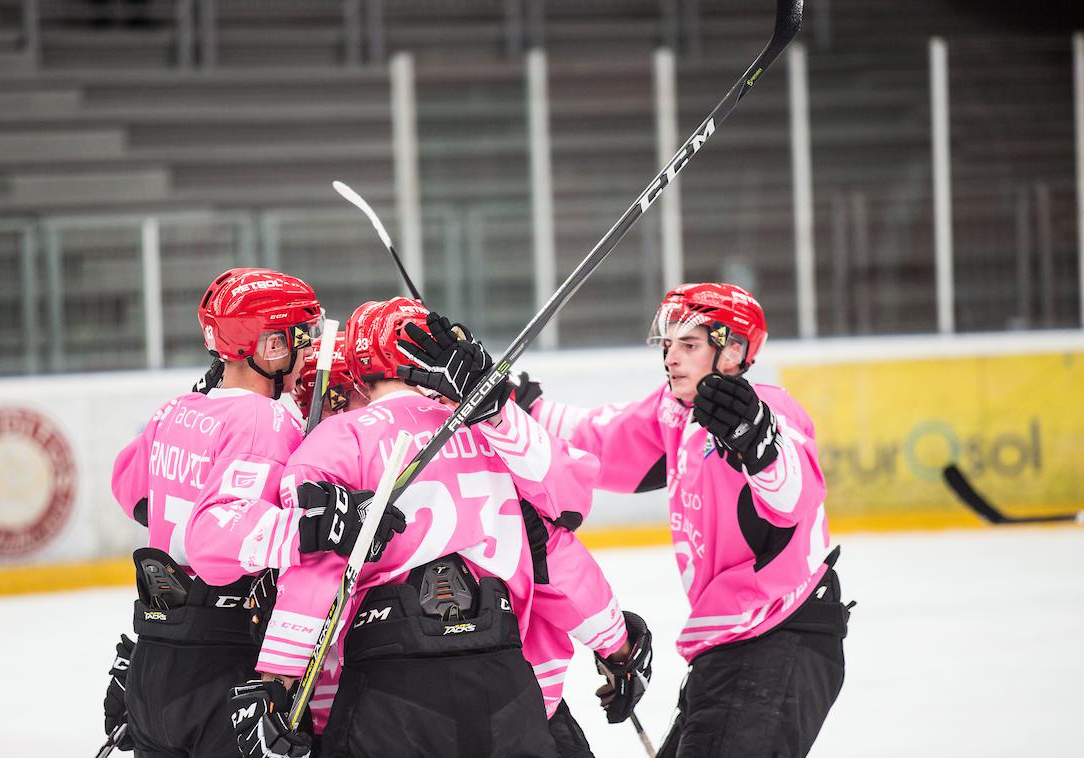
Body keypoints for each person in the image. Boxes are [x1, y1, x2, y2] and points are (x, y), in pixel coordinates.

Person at [221, 298, 646, 758]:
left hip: (389, 685)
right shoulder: (489, 431)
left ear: (359, 366)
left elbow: (316, 572)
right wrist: (617, 646)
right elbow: (564, 528)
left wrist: (277, 682)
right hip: (507, 683)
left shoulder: (338, 440)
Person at [529, 283, 851, 758]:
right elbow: (598, 435)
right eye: (668, 344)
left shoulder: (769, 408)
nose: (671, 358)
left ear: (734, 350)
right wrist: (515, 406)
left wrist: (758, 443)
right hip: (733, 642)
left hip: (779, 635)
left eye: (689, 344)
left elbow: (795, 495)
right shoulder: (678, 415)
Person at [105, 267, 401, 757]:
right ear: (269, 347)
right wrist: (315, 525)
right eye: (300, 337)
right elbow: (217, 537)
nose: (308, 350)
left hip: (155, 659)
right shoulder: (265, 420)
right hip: (226, 662)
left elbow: (131, 491)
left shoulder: (175, 409)